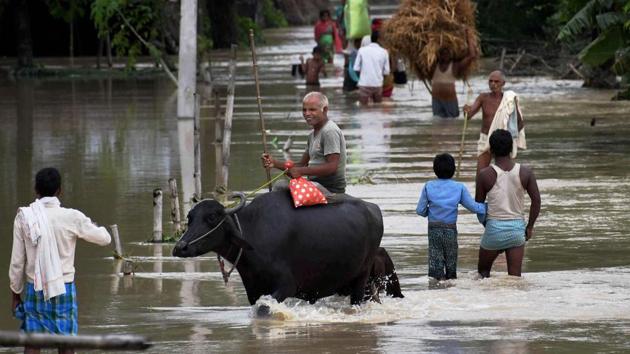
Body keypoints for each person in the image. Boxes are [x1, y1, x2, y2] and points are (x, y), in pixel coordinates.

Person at [9, 167, 111, 354]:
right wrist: (90, 225)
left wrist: (15, 294)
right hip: (64, 287)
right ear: (60, 190)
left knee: (32, 342)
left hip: (35, 288)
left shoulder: (25, 217)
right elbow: (105, 239)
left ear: (36, 190)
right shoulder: (72, 217)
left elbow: (17, 261)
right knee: (66, 343)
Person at [475, 129, 540, 278]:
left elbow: (478, 206)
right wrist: (529, 226)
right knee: (515, 278)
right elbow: (536, 201)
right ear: (512, 148)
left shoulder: (485, 175)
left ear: (491, 150)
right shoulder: (525, 172)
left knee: (482, 274)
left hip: (493, 229)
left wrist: (488, 224)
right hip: (517, 231)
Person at [416, 153, 486, 281]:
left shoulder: (428, 186)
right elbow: (473, 207)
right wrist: (487, 207)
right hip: (450, 230)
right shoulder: (459, 187)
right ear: (453, 169)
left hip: (433, 231)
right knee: (451, 264)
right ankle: (450, 286)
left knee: (436, 266)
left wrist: (430, 213)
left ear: (435, 169)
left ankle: (437, 291)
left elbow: (420, 210)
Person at [262, 92, 347, 196]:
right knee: (281, 185)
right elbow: (301, 165)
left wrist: (301, 171)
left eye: (312, 109)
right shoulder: (312, 135)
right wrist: (274, 163)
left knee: (281, 186)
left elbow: (331, 167)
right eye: (304, 110)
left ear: (324, 110)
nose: (307, 113)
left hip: (330, 189)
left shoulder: (329, 131)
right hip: (315, 184)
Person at [463, 70, 526, 175]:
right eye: (490, 81)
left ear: (503, 83)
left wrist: (511, 141)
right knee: (481, 174)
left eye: (496, 81)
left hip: (502, 141)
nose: (493, 84)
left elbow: (519, 122)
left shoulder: (509, 100)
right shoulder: (483, 97)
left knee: (506, 174)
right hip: (485, 138)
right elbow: (468, 116)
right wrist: (465, 110)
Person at [430, 29, 478, 118]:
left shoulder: (455, 66)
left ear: (451, 54)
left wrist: (468, 36)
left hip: (450, 101)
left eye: (447, 53)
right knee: (437, 124)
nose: (445, 55)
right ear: (439, 54)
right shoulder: (433, 65)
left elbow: (472, 56)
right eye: (443, 53)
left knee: (452, 123)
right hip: (436, 100)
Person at [353, 31, 390, 105]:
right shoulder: (384, 52)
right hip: (377, 85)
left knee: (363, 107)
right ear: (379, 40)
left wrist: (362, 77)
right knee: (377, 108)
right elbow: (386, 72)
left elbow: (356, 68)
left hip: (364, 84)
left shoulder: (362, 50)